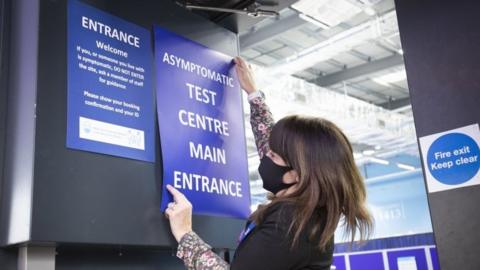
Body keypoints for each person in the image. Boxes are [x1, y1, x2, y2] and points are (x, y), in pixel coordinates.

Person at [164, 57, 373, 270]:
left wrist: (185, 233)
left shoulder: (289, 225)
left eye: (273, 156)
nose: (266, 157)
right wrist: (254, 96)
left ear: (297, 174)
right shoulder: (308, 214)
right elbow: (272, 145)